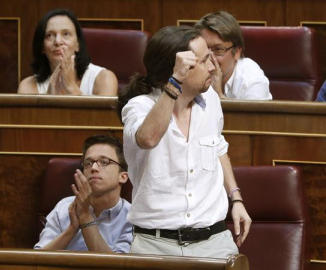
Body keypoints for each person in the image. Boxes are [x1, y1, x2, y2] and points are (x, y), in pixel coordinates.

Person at [117, 26, 252, 258]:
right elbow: (148, 138)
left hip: (214, 241)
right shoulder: (139, 107)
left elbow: (218, 148)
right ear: (178, 69)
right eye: (203, 61)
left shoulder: (210, 100)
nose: (213, 67)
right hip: (155, 244)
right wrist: (175, 83)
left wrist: (236, 198)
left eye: (212, 57)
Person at [35, 135, 132, 253]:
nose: (94, 168)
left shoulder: (132, 218)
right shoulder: (65, 207)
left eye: (104, 162)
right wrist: (71, 230)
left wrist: (85, 217)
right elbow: (38, 260)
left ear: (123, 176)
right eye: (88, 163)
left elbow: (117, 266)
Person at [17, 9, 118, 96]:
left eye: (66, 34)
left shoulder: (104, 79)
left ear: (78, 44)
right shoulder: (28, 86)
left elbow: (101, 118)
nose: (58, 41)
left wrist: (71, 87)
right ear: (42, 47)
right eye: (49, 35)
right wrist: (48, 98)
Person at [195, 11, 271, 100]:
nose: (210, 59)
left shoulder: (253, 80)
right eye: (204, 49)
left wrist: (218, 96)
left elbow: (255, 114)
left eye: (218, 49)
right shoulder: (192, 71)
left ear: (237, 52)